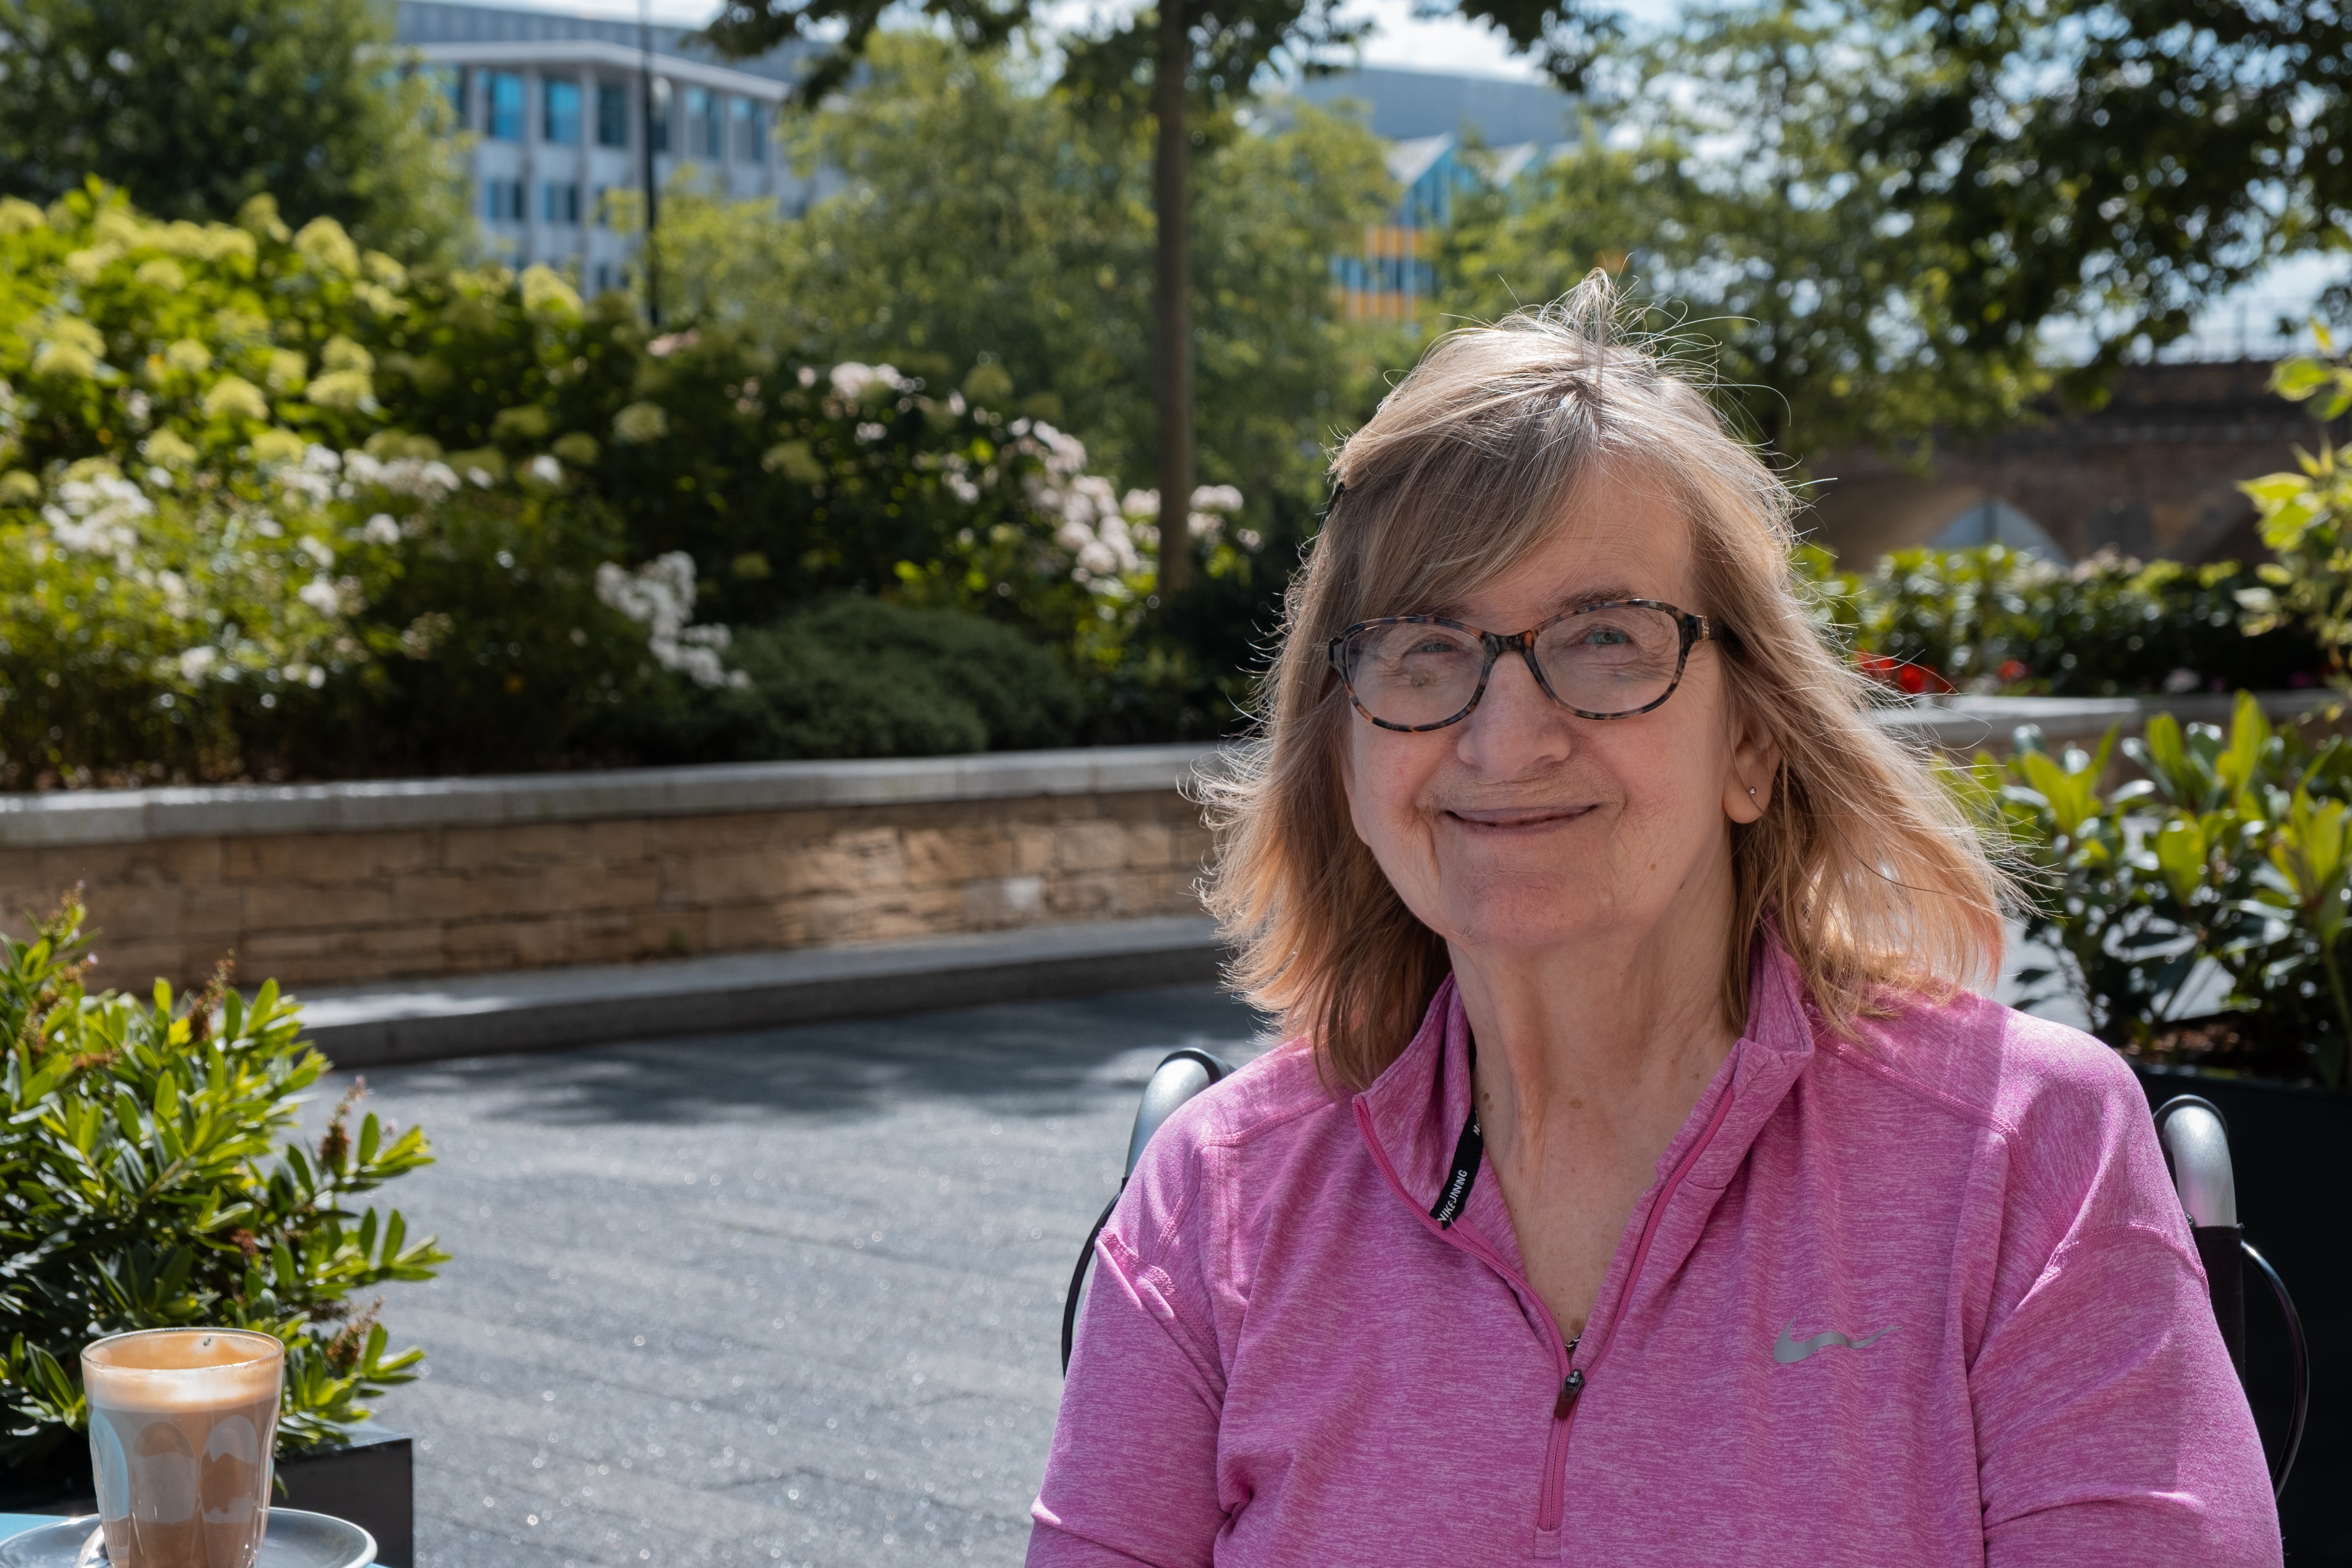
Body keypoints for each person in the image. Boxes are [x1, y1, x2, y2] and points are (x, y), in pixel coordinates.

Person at [1026, 275, 2282, 1566]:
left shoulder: (2026, 1159)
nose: (1503, 741)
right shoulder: (1219, 1193)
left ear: (1751, 741)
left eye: (1608, 640)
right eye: (1421, 648)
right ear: (1343, 753)